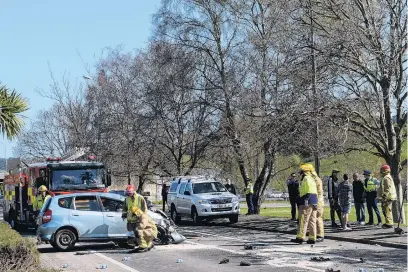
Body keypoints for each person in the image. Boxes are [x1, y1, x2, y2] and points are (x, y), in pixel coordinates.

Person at [291, 163, 318, 244]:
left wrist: (305, 199)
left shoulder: (306, 178)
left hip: (307, 201)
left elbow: (308, 190)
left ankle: (300, 237)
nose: (300, 174)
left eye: (301, 172)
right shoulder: (312, 178)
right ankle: (312, 238)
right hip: (314, 201)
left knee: (303, 220)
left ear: (304, 172)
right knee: (312, 221)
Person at [122, 185, 152, 253]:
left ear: (133, 191)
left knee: (139, 232)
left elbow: (144, 208)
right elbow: (125, 208)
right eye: (128, 193)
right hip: (130, 219)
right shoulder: (127, 199)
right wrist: (124, 214)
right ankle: (135, 245)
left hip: (138, 219)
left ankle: (144, 245)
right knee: (131, 233)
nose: (129, 194)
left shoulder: (140, 198)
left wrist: (143, 217)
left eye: (130, 192)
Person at [378, 165, 397, 229]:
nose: (380, 172)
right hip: (388, 197)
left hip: (388, 197)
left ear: (384, 171)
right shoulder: (386, 177)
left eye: (381, 171)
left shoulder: (386, 178)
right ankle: (388, 222)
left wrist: (384, 196)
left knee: (387, 210)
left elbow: (387, 188)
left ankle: (389, 224)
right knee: (385, 209)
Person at [310, 170, 324, 242]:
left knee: (317, 218)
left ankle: (320, 234)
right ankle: (318, 234)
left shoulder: (315, 180)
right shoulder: (317, 179)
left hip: (317, 201)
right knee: (316, 218)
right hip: (318, 201)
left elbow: (315, 192)